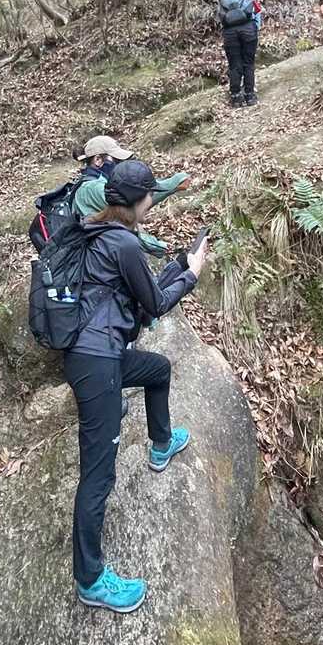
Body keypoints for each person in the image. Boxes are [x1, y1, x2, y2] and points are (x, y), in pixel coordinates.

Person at [65, 159, 207, 613]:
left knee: (158, 369)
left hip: (91, 354)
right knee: (98, 475)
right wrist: (192, 275)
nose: (153, 199)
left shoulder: (97, 230)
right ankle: (90, 580)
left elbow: (140, 295)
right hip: (98, 363)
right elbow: (157, 305)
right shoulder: (125, 242)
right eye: (151, 194)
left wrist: (178, 264)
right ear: (140, 200)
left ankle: (161, 443)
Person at [72, 135, 191, 257]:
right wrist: (175, 183)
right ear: (98, 160)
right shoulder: (93, 188)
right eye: (116, 160)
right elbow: (134, 199)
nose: (120, 165)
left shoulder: (94, 183)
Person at [217, 0, 264, 107]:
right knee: (248, 63)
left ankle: (235, 97)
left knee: (234, 65)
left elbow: (220, 19)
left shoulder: (223, 3)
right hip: (248, 31)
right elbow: (257, 13)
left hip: (230, 34)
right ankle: (250, 96)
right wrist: (255, 28)